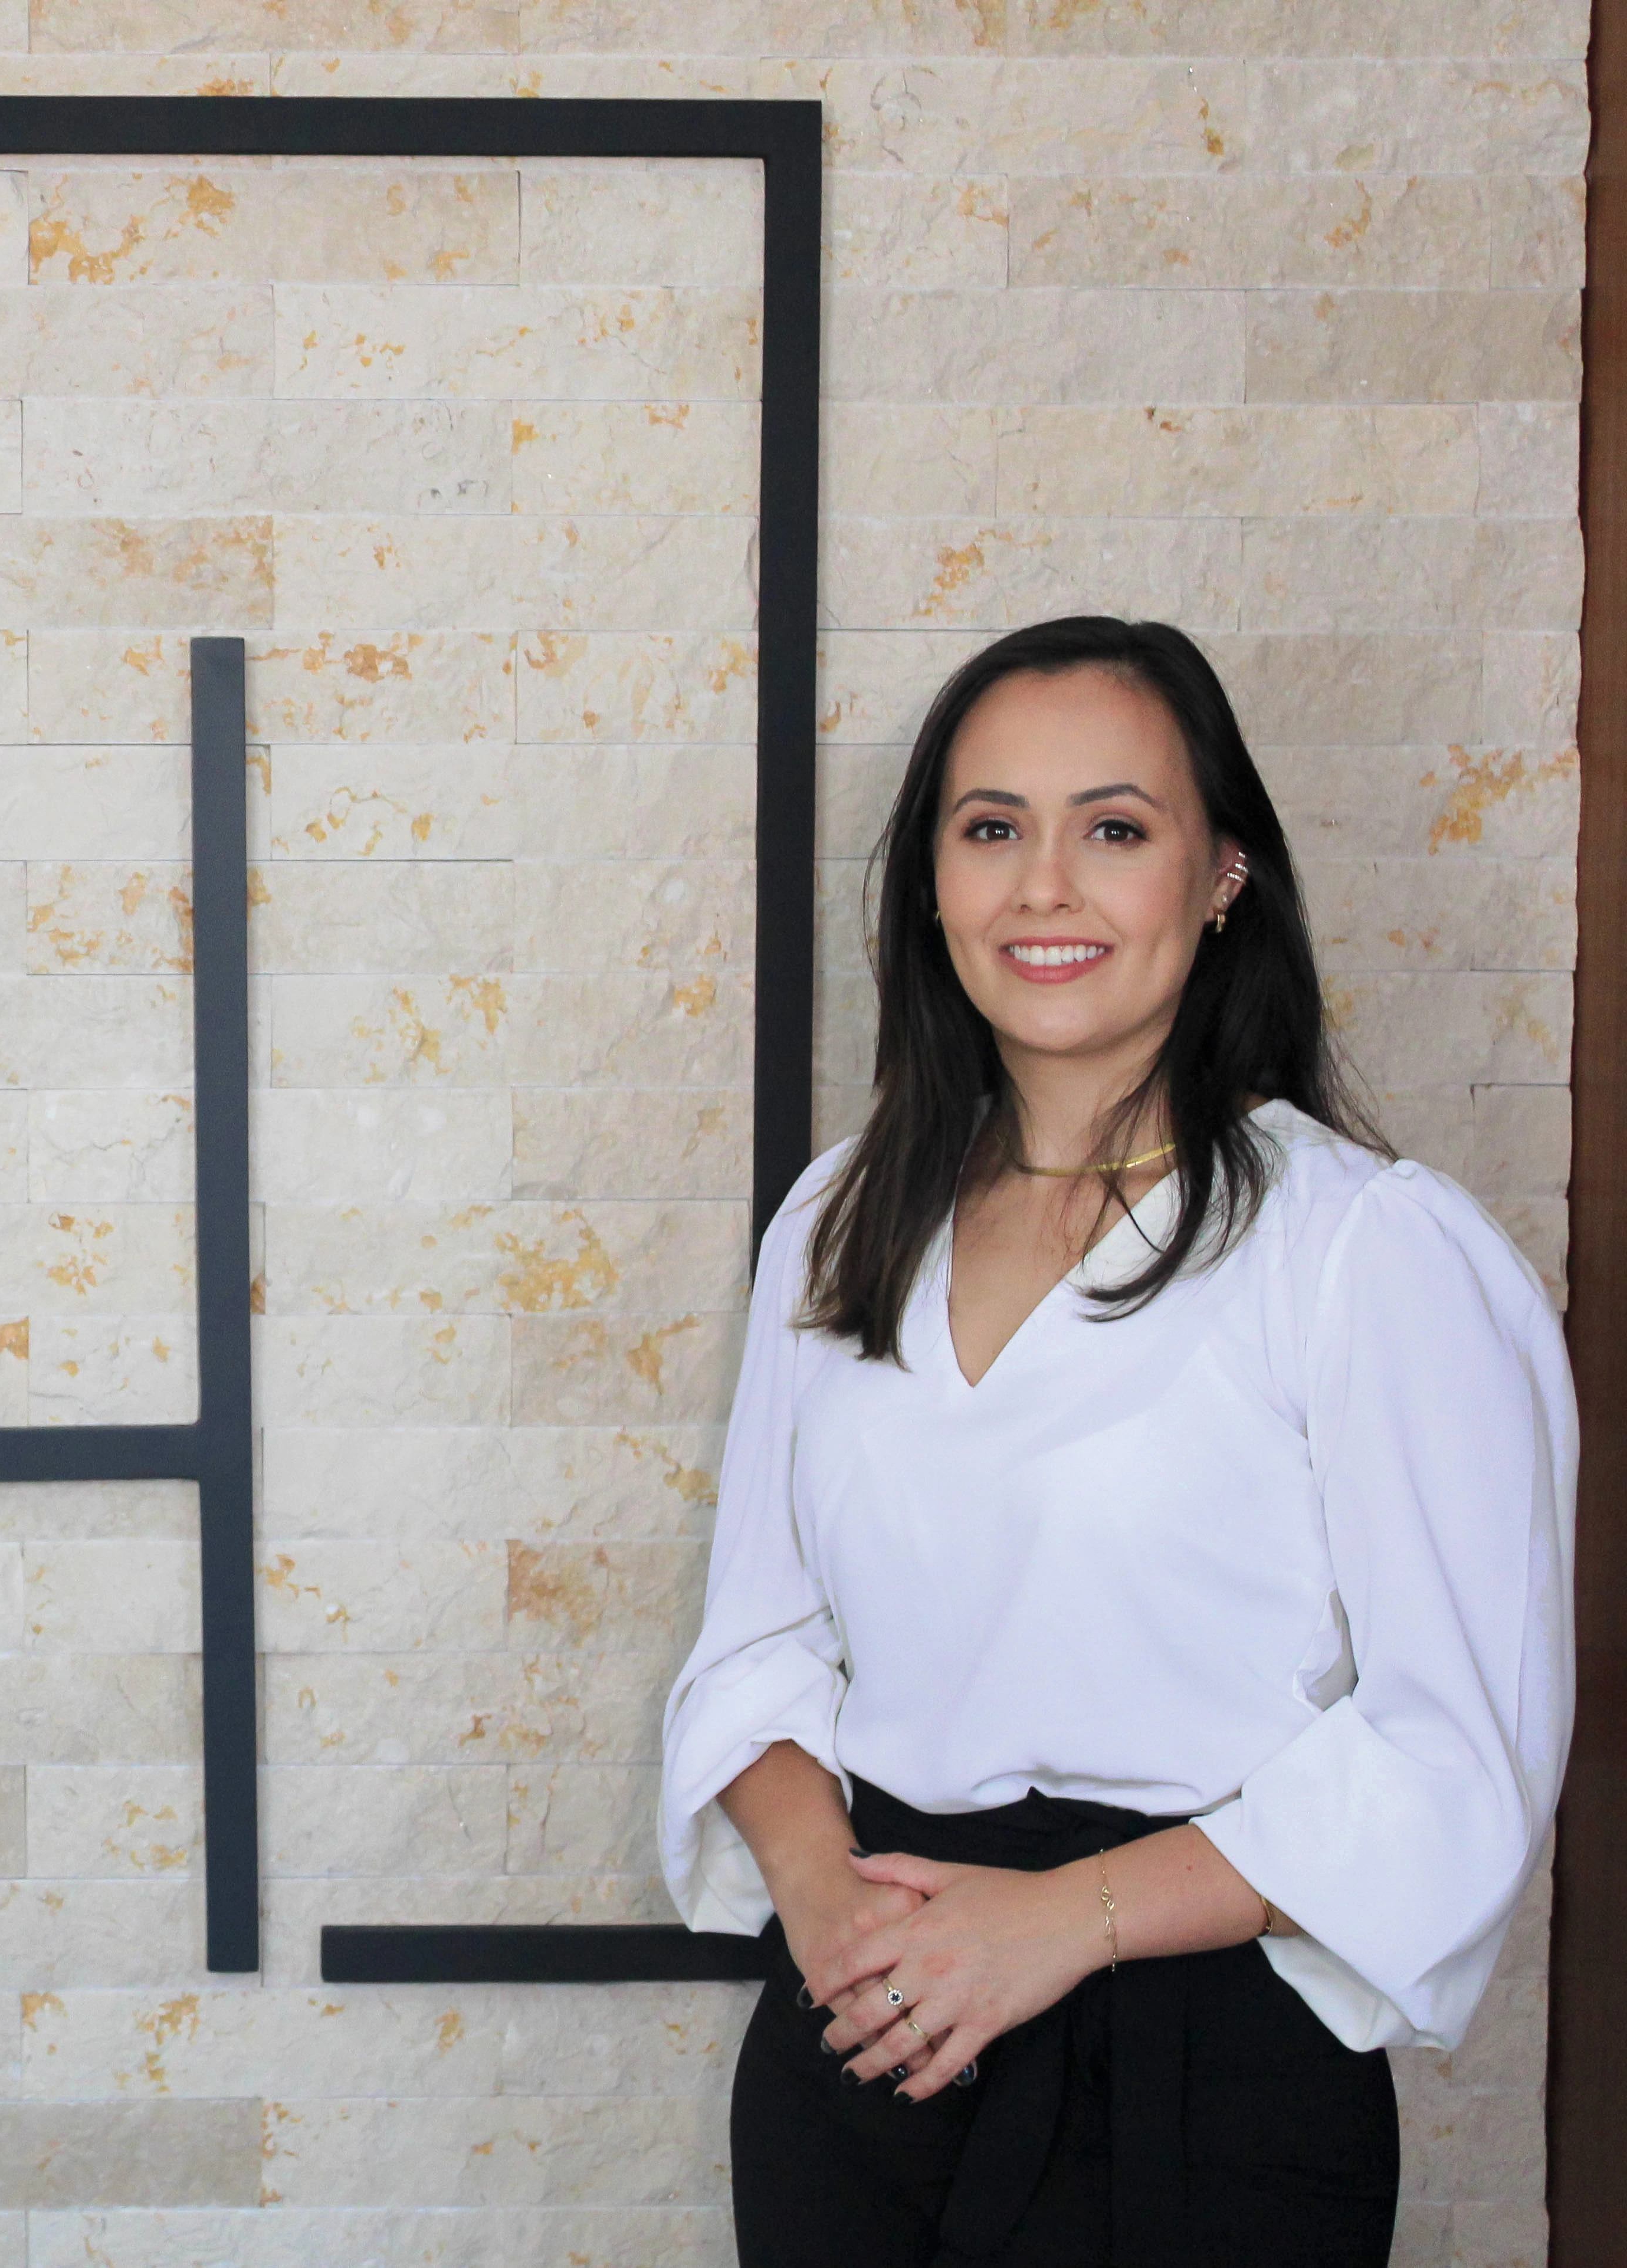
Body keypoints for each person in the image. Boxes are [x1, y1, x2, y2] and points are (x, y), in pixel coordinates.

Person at [660, 615, 1576, 2266]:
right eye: (992, 827)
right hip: (870, 2041)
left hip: (1200, 2072)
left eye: (1117, 828)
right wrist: (825, 1901)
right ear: (933, 882)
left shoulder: (1367, 1253)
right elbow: (757, 1647)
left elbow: (1455, 1756)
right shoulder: (841, 1220)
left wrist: (1056, 1928)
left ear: (1224, 872)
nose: (1044, 888)